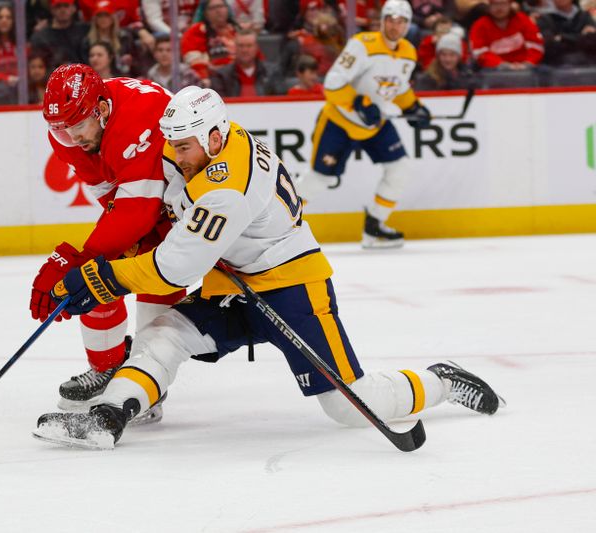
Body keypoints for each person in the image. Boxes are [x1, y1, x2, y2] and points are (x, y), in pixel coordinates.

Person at [32, 85, 504, 448]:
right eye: (171, 145)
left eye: (184, 148)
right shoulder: (207, 141)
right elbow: (170, 191)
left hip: (292, 288)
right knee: (164, 336)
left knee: (348, 406)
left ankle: (441, 380)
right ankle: (107, 416)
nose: (174, 158)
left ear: (215, 138)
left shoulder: (225, 186)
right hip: (233, 283)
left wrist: (102, 276)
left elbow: (174, 270)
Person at [31, 64, 185, 410]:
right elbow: (110, 193)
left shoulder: (139, 115)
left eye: (78, 126)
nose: (71, 137)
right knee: (96, 274)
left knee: (158, 277)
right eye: (61, 128)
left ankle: (149, 376)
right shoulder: (67, 132)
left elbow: (137, 211)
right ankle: (107, 367)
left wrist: (80, 259)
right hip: (143, 198)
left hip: (187, 203)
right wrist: (106, 249)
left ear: (100, 110)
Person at [298, 0, 431, 249]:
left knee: (399, 168)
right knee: (319, 179)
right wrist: (358, 102)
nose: (395, 25)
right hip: (340, 120)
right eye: (391, 19)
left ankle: (375, 227)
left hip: (374, 123)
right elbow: (333, 83)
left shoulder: (408, 53)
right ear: (382, 20)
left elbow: (398, 87)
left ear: (408, 24)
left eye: (402, 20)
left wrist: (413, 107)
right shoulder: (362, 45)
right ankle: (277, 223)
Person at [469, 0, 545, 69]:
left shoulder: (522, 20)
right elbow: (479, 53)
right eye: (495, 4)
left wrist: (527, 63)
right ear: (489, 5)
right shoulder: (480, 25)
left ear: (510, 4)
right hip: (493, 71)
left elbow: (536, 46)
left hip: (526, 68)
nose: (499, 8)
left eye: (503, 4)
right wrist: (503, 65)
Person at [209, 28, 285, 97]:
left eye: (249, 46)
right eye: (241, 46)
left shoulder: (272, 72)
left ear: (256, 47)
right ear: (235, 47)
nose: (244, 50)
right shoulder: (221, 76)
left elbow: (280, 101)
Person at [180, 0, 239, 82]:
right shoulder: (195, 31)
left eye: (221, 6)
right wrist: (205, 78)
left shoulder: (237, 29)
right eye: (213, 8)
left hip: (240, 77)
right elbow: (195, 63)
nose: (218, 10)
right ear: (205, 12)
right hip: (213, 79)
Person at [30, 0, 90, 68]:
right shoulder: (41, 37)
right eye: (58, 6)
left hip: (82, 75)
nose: (62, 10)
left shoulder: (84, 30)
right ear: (52, 9)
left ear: (74, 8)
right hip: (52, 76)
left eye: (66, 6)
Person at [536, 0, 596, 66]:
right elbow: (550, 46)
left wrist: (562, 37)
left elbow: (592, 41)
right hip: (557, 66)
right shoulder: (545, 19)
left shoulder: (585, 16)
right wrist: (582, 36)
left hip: (588, 65)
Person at [414, 32, 478, 89]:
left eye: (452, 55)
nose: (448, 59)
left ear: (459, 56)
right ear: (438, 56)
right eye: (444, 54)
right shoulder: (427, 79)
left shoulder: (467, 75)